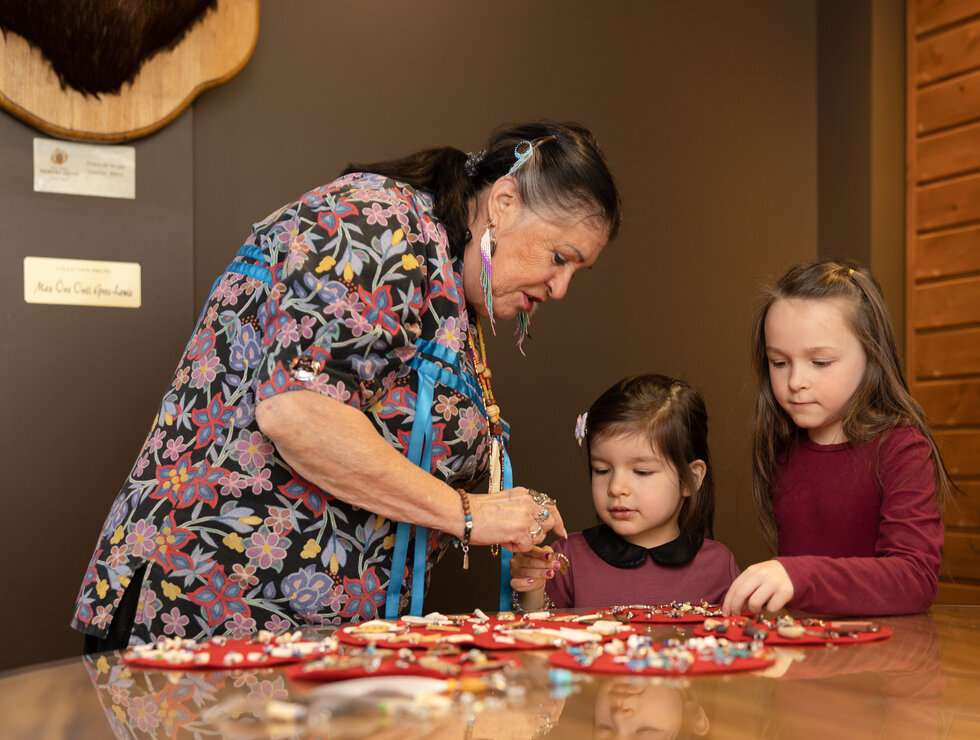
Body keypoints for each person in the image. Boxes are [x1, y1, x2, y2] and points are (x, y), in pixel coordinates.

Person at [71, 120, 622, 650]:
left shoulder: (453, 287)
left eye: (577, 271)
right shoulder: (377, 222)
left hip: (306, 631)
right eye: (559, 258)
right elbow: (299, 412)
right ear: (503, 202)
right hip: (207, 604)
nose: (560, 288)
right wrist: (472, 514)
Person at [722, 259, 952, 617]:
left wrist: (798, 575)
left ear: (871, 355)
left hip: (889, 649)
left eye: (821, 362)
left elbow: (915, 578)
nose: (796, 381)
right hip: (808, 646)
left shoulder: (902, 449)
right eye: (779, 363)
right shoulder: (783, 451)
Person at [511, 374, 739, 610]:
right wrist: (532, 588)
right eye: (602, 470)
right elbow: (533, 626)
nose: (616, 488)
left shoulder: (719, 565)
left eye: (641, 472)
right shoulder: (566, 559)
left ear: (689, 480)